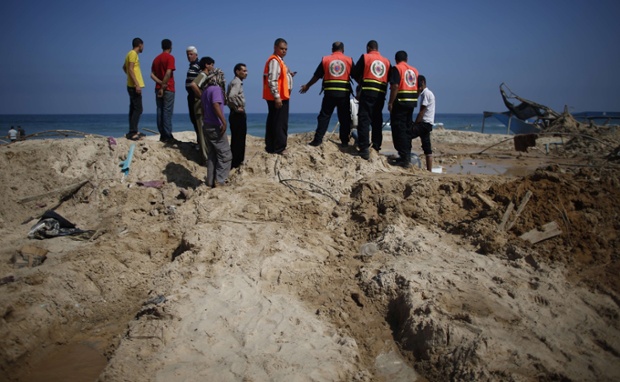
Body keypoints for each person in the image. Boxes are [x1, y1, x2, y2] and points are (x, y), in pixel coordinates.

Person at [299, 41, 354, 147]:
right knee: (344, 117)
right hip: (344, 94)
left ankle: (318, 140)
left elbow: (317, 76)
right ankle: (344, 141)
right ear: (343, 50)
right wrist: (361, 86)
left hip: (329, 94)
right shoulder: (349, 60)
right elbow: (356, 75)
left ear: (332, 49)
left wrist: (308, 85)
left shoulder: (326, 59)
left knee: (324, 116)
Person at [352, 40, 391, 160]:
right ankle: (376, 147)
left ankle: (364, 149)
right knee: (377, 120)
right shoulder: (387, 61)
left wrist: (360, 82)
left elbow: (354, 72)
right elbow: (389, 79)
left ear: (368, 48)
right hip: (381, 95)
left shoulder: (365, 57)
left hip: (368, 92)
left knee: (364, 119)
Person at [200, 69, 232, 187]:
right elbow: (215, 104)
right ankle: (220, 180)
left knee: (212, 155)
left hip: (207, 125)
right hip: (215, 126)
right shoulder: (216, 89)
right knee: (225, 155)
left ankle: (210, 180)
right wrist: (223, 121)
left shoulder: (205, 90)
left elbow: (203, 109)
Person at [263, 38, 295, 155]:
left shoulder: (279, 61)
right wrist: (277, 96)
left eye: (286, 49)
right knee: (280, 123)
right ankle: (280, 147)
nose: (284, 51)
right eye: (281, 48)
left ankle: (271, 146)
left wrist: (289, 75)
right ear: (275, 48)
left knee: (273, 121)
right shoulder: (275, 61)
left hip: (279, 96)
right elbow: (272, 80)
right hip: (279, 97)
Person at [387, 50, 419, 168]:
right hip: (411, 103)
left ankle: (404, 157)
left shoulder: (397, 69)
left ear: (396, 60)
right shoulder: (414, 70)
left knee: (398, 129)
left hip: (400, 102)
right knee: (407, 128)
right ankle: (406, 155)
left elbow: (395, 86)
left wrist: (391, 102)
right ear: (407, 59)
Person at [191, 57, 217, 162]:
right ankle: (205, 157)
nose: (213, 67)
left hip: (202, 109)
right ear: (207, 65)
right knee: (202, 134)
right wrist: (202, 96)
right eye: (211, 65)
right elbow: (193, 85)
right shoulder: (203, 75)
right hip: (200, 108)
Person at [150, 39, 176, 143]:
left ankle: (162, 134)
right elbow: (168, 72)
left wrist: (160, 83)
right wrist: (163, 86)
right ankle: (167, 135)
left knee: (160, 110)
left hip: (158, 87)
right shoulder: (170, 58)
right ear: (170, 47)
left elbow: (152, 75)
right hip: (168, 88)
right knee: (167, 111)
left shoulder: (156, 59)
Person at [122, 37, 145, 141]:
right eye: (143, 45)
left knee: (133, 108)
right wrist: (136, 83)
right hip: (133, 86)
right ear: (140, 45)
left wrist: (130, 78)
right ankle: (133, 132)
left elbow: (124, 67)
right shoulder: (133, 54)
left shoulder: (129, 54)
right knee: (138, 109)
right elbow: (130, 68)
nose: (143, 47)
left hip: (131, 84)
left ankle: (133, 130)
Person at [410, 75, 435, 171]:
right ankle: (429, 170)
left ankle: (405, 158)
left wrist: (415, 124)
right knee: (427, 148)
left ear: (423, 83)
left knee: (408, 135)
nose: (418, 88)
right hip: (428, 124)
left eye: (419, 86)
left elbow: (421, 112)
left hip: (424, 124)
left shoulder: (426, 94)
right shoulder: (427, 93)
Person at [227, 63, 248, 168]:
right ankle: (237, 163)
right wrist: (237, 107)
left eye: (246, 71)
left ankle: (235, 162)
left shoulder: (233, 82)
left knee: (236, 139)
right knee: (239, 140)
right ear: (237, 71)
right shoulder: (237, 82)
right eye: (243, 71)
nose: (246, 73)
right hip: (237, 114)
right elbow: (231, 97)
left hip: (234, 113)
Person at [185, 46, 201, 147]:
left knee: (197, 119)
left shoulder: (198, 65)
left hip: (195, 96)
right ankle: (199, 140)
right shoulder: (191, 66)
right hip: (190, 95)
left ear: (196, 55)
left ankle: (200, 141)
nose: (189, 56)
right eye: (187, 54)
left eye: (191, 54)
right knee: (193, 118)